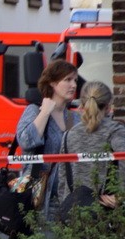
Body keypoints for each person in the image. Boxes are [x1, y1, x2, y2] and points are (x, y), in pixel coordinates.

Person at [15, 59, 79, 220]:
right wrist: (45, 113)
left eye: (75, 80)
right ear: (52, 83)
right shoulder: (34, 110)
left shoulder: (75, 118)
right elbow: (25, 141)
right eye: (68, 80)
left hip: (70, 197)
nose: (73, 85)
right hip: (41, 197)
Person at [57, 81, 125, 212]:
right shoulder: (116, 131)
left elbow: (62, 181)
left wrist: (65, 204)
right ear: (109, 106)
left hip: (75, 214)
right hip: (108, 213)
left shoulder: (69, 135)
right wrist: (121, 196)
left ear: (82, 105)